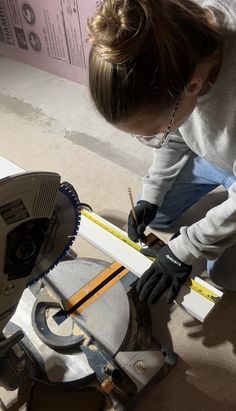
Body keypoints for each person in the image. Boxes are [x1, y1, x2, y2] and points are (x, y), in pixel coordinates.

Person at [87, 0, 236, 305]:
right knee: (161, 213)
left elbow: (174, 123)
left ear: (193, 87)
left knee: (223, 275)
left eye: (154, 129)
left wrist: (186, 248)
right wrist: (150, 195)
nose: (155, 136)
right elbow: (175, 132)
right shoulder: (171, 39)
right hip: (217, 151)